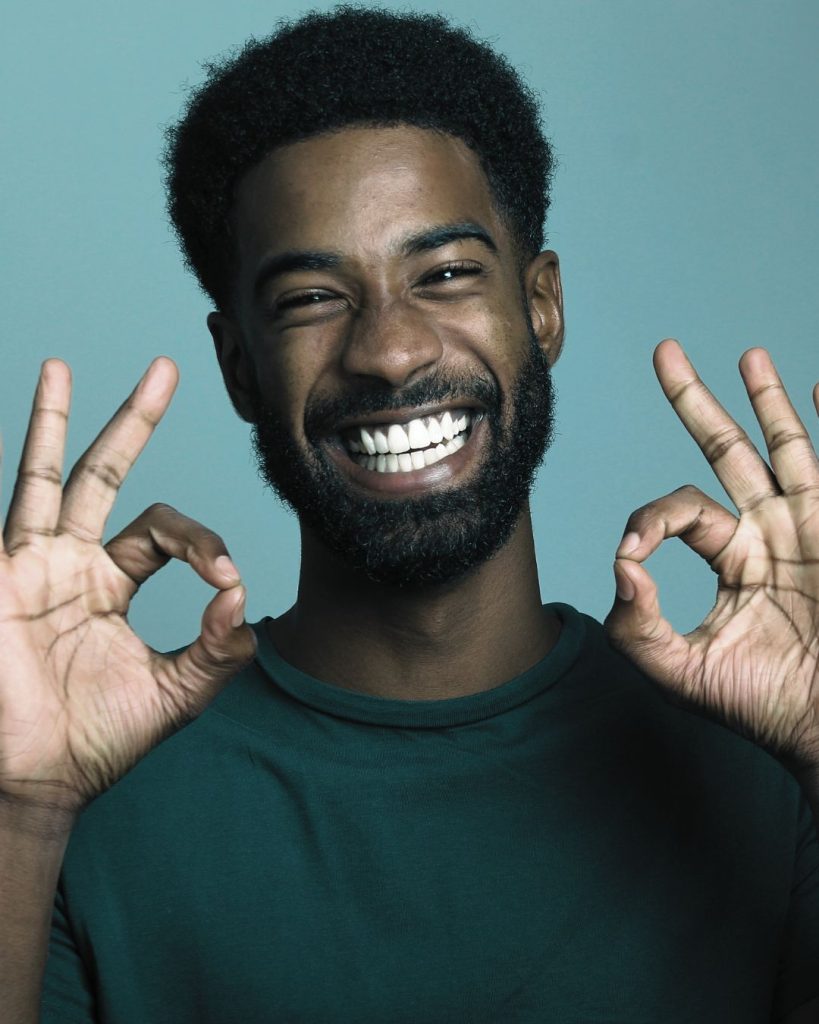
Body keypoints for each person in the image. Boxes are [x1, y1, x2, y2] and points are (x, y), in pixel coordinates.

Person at [1, 6, 818, 1022]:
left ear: (542, 306)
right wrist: (16, 809)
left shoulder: (774, 757)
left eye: (443, 275)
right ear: (239, 367)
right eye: (310, 297)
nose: (389, 350)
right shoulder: (82, 798)